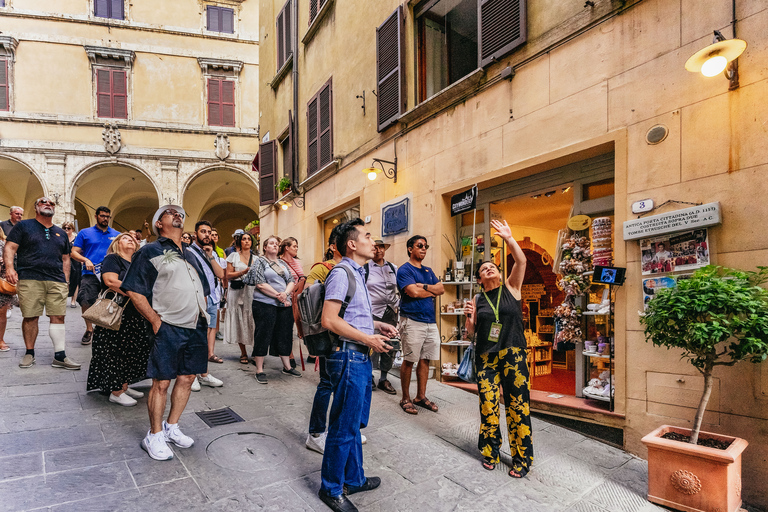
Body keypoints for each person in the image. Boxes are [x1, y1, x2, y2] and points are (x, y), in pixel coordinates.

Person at [317, 218, 397, 512]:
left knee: (354, 422)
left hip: (359, 354)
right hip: (349, 355)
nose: (372, 240)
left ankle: (354, 478)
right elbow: (330, 320)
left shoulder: (357, 273)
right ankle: (331, 488)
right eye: (366, 235)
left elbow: (352, 316)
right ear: (351, 244)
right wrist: (368, 338)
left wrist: (377, 326)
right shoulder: (341, 273)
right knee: (342, 425)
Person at [122, 205, 210, 461]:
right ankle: (154, 434)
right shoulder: (150, 250)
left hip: (196, 325)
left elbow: (202, 288)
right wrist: (155, 320)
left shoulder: (191, 253)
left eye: (180, 212)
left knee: (187, 377)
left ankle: (172, 427)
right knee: (161, 382)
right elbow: (134, 289)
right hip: (169, 325)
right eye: (170, 212)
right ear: (159, 223)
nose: (177, 214)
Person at [464, 219, 533, 478]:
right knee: (488, 405)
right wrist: (468, 320)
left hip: (513, 353)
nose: (489, 268)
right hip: (486, 357)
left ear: (500, 273)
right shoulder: (478, 298)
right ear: (480, 279)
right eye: (484, 269)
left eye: (492, 266)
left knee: (517, 405)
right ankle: (490, 451)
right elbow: (472, 332)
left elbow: (521, 262)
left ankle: (521, 459)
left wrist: (508, 239)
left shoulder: (512, 288)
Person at [3, 197, 80, 370]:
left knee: (58, 316)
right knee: (30, 316)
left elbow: (66, 258)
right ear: (36, 207)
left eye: (52, 203)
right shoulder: (24, 226)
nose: (48, 204)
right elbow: (9, 247)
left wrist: (66, 280)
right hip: (30, 278)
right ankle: (29, 352)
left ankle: (60, 356)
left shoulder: (60, 232)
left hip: (56, 280)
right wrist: (10, 269)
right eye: (43, 202)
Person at [86, 233, 151, 406]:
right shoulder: (112, 258)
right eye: (124, 237)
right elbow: (110, 281)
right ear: (116, 243)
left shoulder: (137, 262)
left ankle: (123, 385)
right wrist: (136, 292)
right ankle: (115, 391)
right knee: (115, 352)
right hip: (116, 314)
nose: (130, 239)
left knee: (129, 352)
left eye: (133, 238)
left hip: (134, 313)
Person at [306, 225, 345, 454]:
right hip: (331, 335)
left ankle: (340, 429)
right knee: (327, 384)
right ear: (333, 246)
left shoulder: (355, 268)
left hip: (349, 334)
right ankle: (316, 433)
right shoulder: (323, 269)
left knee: (343, 386)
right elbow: (309, 295)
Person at [396, 235, 444, 414]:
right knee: (409, 359)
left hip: (430, 321)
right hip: (412, 320)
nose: (424, 248)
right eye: (420, 245)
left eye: (426, 246)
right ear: (410, 249)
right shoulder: (404, 270)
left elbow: (441, 289)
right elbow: (412, 293)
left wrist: (423, 287)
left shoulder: (428, 271)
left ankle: (421, 396)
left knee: (426, 359)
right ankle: (406, 398)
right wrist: (430, 291)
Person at [246, 235, 298, 383]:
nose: (275, 245)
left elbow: (291, 281)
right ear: (265, 247)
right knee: (263, 334)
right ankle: (259, 369)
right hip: (264, 304)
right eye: (271, 243)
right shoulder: (260, 262)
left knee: (285, 334)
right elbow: (260, 283)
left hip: (283, 304)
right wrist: (278, 295)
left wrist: (285, 294)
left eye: (277, 243)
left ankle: (287, 367)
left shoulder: (282, 263)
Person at [71, 206, 120, 345]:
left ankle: (107, 327)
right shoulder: (85, 233)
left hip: (111, 273)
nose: (105, 218)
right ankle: (89, 329)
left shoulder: (116, 234)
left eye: (107, 216)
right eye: (102, 216)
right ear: (96, 216)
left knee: (112, 301)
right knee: (86, 299)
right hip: (90, 273)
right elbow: (74, 252)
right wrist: (86, 260)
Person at [186, 221, 225, 389]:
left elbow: (221, 274)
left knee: (206, 338)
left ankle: (204, 373)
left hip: (212, 298)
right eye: (203, 231)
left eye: (209, 232)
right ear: (196, 234)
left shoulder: (212, 253)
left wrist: (210, 256)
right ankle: (191, 375)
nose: (207, 235)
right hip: (196, 300)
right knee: (194, 338)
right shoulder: (187, 252)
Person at [365, 240, 399, 395]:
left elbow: (401, 288)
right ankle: (369, 376)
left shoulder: (393, 268)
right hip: (373, 313)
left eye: (381, 247)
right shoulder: (365, 268)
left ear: (385, 249)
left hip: (391, 311)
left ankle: (384, 378)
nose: (378, 250)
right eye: (375, 247)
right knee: (372, 347)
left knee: (390, 346)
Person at [224, 232, 256, 364]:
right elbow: (228, 275)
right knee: (239, 320)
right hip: (236, 292)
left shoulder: (257, 258)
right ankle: (243, 353)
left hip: (251, 292)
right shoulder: (233, 256)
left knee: (253, 320)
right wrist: (243, 271)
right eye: (244, 239)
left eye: (249, 239)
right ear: (240, 242)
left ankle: (256, 352)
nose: (247, 241)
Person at [279, 236, 304, 369]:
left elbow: (302, 276)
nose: (296, 248)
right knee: (287, 328)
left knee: (301, 325)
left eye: (297, 246)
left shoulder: (297, 262)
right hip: (286, 297)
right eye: (294, 246)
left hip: (298, 298)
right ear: (286, 247)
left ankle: (311, 353)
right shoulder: (279, 262)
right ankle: (289, 355)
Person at [0, 229, 16, 352]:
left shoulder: (4, 244)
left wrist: (4, 261)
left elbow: (12, 259)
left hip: (1, 281)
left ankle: (0, 340)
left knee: (1, 313)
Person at [62, 221, 81, 308]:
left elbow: (80, 250)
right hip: (64, 261)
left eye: (68, 228)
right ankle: (63, 298)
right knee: (65, 280)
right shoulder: (62, 238)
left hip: (75, 261)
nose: (66, 230)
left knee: (75, 280)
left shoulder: (76, 239)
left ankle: (73, 300)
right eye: (64, 228)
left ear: (72, 229)